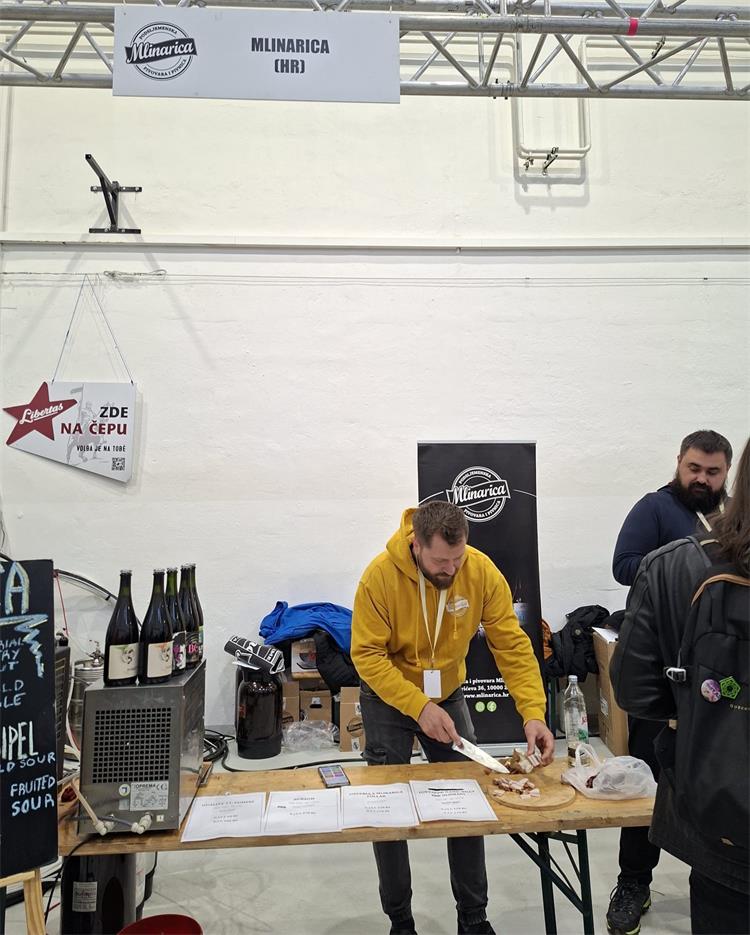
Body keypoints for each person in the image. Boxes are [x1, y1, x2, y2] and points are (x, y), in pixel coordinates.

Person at [351, 502, 554, 935]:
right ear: (416, 545)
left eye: (457, 558)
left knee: (466, 802)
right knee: (387, 809)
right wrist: (418, 706)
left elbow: (512, 646)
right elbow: (367, 656)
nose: (451, 569)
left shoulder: (479, 571)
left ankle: (473, 916)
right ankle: (400, 921)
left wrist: (533, 712)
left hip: (447, 694)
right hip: (387, 697)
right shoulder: (379, 577)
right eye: (441, 561)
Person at [611, 435, 750, 935]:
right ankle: (633, 881)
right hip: (676, 691)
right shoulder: (656, 510)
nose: (702, 479)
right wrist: (669, 565)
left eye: (712, 472)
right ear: (679, 464)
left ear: (731, 473)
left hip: (721, 704)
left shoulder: (728, 517)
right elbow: (623, 565)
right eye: (694, 469)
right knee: (649, 789)